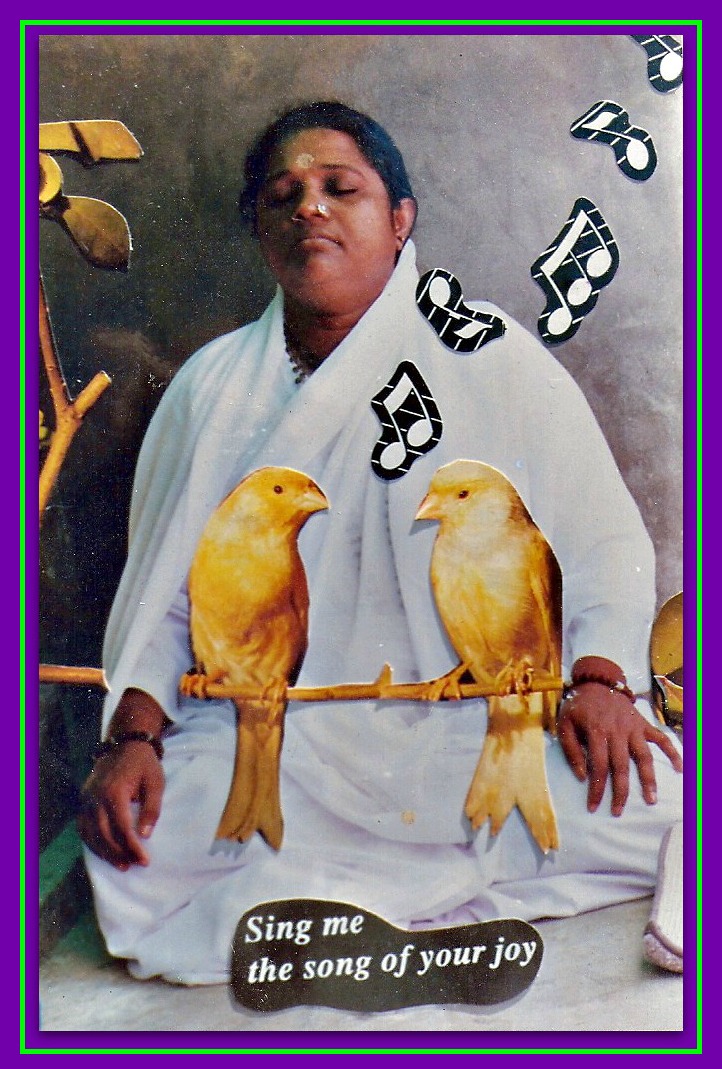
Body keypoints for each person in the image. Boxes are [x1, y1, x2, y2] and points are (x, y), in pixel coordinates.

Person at [78, 101, 683, 985]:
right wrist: (130, 740)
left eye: (340, 188)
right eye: (283, 196)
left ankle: (347, 900)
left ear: (401, 219)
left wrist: (599, 681)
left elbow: (600, 543)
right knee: (140, 850)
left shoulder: (492, 356)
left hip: (468, 728)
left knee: (660, 801)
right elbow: (168, 599)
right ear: (260, 231)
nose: (309, 208)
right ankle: (394, 899)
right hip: (279, 741)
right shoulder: (212, 390)